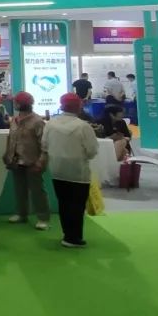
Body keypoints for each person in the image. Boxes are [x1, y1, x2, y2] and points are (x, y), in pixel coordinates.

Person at [42, 93, 99, 248]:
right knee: (77, 205)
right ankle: (74, 237)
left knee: (63, 203)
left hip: (57, 169)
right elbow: (92, 150)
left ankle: (67, 234)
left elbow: (44, 145)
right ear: (79, 107)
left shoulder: (51, 124)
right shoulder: (83, 126)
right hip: (78, 171)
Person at [3, 92, 49, 230]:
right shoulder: (15, 120)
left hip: (32, 160)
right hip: (16, 160)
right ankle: (21, 213)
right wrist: (7, 154)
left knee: (37, 191)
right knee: (19, 189)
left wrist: (41, 160)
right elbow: (11, 138)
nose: (14, 104)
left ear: (21, 104)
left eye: (16, 102)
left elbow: (44, 144)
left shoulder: (37, 121)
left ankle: (43, 218)